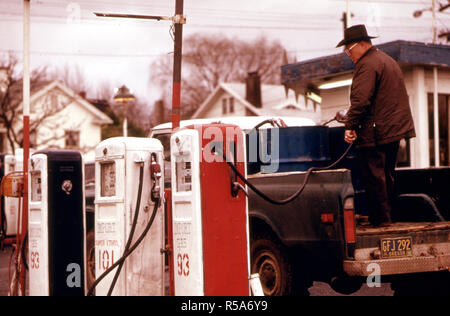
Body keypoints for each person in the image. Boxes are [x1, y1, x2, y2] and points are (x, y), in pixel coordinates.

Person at [337, 24, 416, 227]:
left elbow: (361, 100)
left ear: (362, 44)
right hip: (393, 130)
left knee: (374, 177)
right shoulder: (387, 60)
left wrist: (350, 125)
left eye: (349, 49)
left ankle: (381, 221)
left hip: (375, 132)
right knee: (387, 175)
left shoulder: (366, 64)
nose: (348, 54)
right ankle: (387, 218)